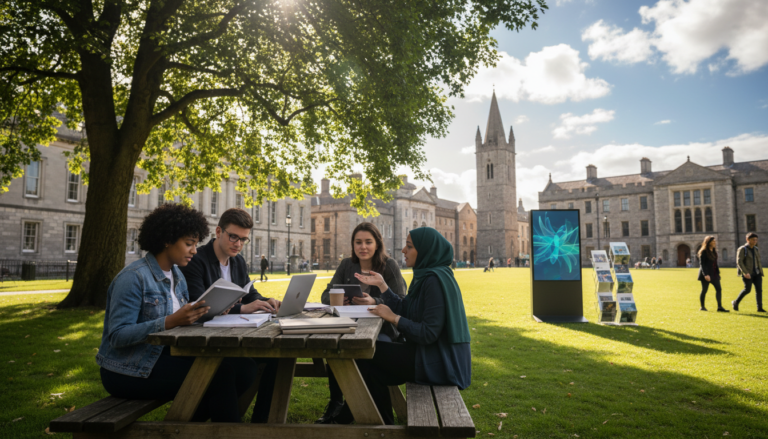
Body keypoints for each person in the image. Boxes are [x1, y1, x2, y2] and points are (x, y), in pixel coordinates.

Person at [96, 204, 258, 422]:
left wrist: (209, 311)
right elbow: (117, 336)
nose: (194, 250)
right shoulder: (133, 277)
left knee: (244, 367)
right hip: (127, 369)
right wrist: (170, 322)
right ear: (167, 240)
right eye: (189, 244)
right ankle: (222, 431)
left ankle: (193, 426)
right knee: (220, 375)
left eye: (195, 244)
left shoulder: (176, 276)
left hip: (165, 356)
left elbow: (183, 323)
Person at [332, 227, 472, 424]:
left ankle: (348, 418)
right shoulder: (426, 275)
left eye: (409, 246)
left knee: (365, 355)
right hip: (430, 354)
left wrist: (394, 318)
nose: (403, 251)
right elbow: (406, 307)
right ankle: (381, 425)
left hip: (441, 363)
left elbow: (428, 333)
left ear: (425, 251)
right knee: (372, 369)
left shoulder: (435, 281)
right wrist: (382, 286)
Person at [179, 208, 281, 422]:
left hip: (235, 332)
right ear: (218, 231)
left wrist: (265, 301)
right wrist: (243, 308)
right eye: (233, 236)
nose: (238, 244)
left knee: (276, 360)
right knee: (238, 370)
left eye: (244, 239)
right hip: (205, 338)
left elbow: (249, 292)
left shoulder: (238, 262)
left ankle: (262, 424)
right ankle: (214, 419)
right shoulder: (197, 260)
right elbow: (199, 303)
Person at [315, 222, 407, 424]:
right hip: (349, 323)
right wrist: (338, 298)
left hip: (383, 328)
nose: (363, 247)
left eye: (368, 242)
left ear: (377, 244)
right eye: (358, 242)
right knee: (333, 348)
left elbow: (401, 301)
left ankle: (350, 410)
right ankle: (336, 402)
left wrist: (375, 301)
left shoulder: (388, 265)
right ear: (353, 245)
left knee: (368, 353)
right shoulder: (347, 265)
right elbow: (325, 294)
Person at [732, 233, 765, 312]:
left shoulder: (756, 249)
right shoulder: (743, 249)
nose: (755, 241)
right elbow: (739, 262)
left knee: (759, 290)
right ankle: (736, 302)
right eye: (753, 240)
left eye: (756, 240)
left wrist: (760, 271)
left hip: (757, 273)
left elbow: (758, 261)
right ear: (747, 239)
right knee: (747, 290)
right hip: (748, 274)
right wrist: (745, 272)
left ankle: (759, 308)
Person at [697, 236, 729, 312]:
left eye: (715, 241)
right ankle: (702, 307)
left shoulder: (714, 251)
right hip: (706, 274)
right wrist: (705, 274)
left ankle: (719, 307)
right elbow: (702, 264)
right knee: (704, 290)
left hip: (714, 273)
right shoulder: (704, 251)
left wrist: (718, 273)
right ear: (708, 242)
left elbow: (715, 263)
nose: (714, 242)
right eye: (713, 241)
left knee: (719, 289)